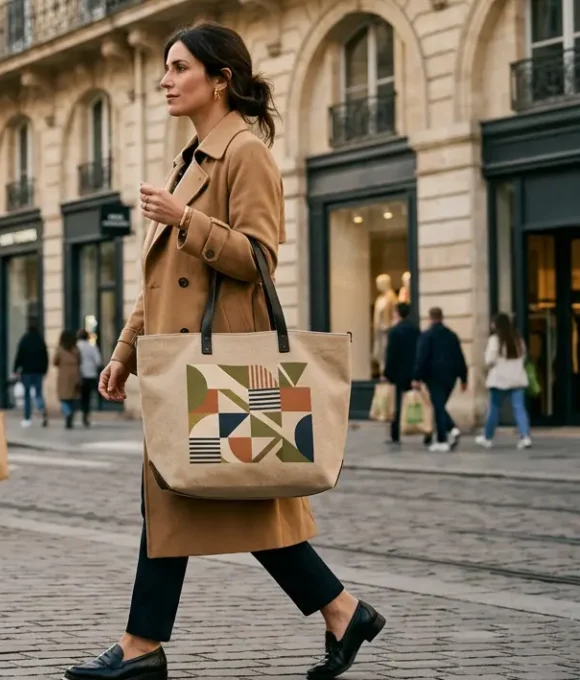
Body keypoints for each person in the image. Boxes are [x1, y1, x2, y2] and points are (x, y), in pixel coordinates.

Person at [67, 23, 383, 680]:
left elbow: (260, 257)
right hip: (180, 370)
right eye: (164, 68)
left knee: (211, 499)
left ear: (221, 78)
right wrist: (125, 353)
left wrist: (187, 221)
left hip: (219, 372)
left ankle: (142, 648)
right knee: (199, 501)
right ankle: (338, 612)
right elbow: (157, 284)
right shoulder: (189, 161)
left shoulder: (245, 154)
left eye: (179, 67)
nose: (165, 80)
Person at [412, 306, 467, 452]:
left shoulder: (426, 335)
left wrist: (416, 377)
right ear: (442, 318)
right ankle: (451, 431)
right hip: (450, 377)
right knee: (439, 405)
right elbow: (460, 357)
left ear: (430, 318)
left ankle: (444, 439)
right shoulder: (452, 335)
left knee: (438, 406)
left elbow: (421, 358)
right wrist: (463, 378)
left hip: (433, 377)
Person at [476, 313, 532, 450]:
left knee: (494, 409)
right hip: (517, 379)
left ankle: (487, 437)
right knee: (519, 409)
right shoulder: (518, 339)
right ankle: (525, 437)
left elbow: (489, 360)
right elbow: (524, 357)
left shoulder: (495, 340)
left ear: (497, 325)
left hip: (499, 379)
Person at [381, 303, 420, 445]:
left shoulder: (394, 331)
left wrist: (386, 373)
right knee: (419, 401)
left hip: (398, 373)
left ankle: (395, 435)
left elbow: (391, 354)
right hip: (413, 371)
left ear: (397, 313)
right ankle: (427, 431)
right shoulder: (416, 330)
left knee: (396, 405)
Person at [12, 322, 49, 427]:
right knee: (38, 394)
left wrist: (15, 369)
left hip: (27, 372)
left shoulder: (25, 340)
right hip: (38, 371)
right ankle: (42, 412)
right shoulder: (40, 341)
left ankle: (27, 418)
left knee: (27, 395)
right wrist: (44, 370)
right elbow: (45, 357)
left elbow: (19, 355)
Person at [53, 330, 82, 429]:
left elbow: (55, 362)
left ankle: (67, 413)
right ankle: (70, 417)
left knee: (63, 399)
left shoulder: (60, 350)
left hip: (63, 377)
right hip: (75, 376)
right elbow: (80, 361)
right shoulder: (76, 350)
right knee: (73, 399)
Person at [75, 329, 102, 428]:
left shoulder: (76, 347)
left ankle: (80, 414)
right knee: (89, 396)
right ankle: (86, 416)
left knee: (82, 397)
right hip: (91, 374)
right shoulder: (92, 346)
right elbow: (98, 360)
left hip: (80, 374)